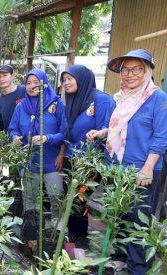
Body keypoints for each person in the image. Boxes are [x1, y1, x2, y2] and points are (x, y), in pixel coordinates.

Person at [87, 49, 167, 275]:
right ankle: (120, 255)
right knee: (118, 214)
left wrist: (147, 168)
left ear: (148, 71)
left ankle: (139, 271)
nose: (130, 74)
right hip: (116, 168)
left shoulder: (158, 98)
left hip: (142, 170)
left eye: (137, 69)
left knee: (139, 219)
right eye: (126, 69)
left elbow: (161, 137)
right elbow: (120, 129)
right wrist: (103, 133)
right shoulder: (121, 98)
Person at [59, 64, 115, 239]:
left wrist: (98, 136)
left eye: (70, 79)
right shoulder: (72, 100)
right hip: (72, 158)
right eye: (64, 80)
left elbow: (107, 130)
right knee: (69, 199)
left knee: (79, 200)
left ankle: (79, 238)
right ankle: (70, 237)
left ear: (82, 79)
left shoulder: (101, 100)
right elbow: (68, 131)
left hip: (90, 162)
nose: (65, 83)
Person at [9, 69, 68, 226]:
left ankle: (57, 231)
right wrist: (14, 138)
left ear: (44, 84)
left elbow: (64, 133)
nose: (31, 86)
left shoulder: (55, 104)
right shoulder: (21, 107)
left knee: (56, 197)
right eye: (28, 83)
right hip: (29, 161)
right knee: (30, 199)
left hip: (51, 161)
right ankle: (31, 231)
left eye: (36, 83)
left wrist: (48, 138)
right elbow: (12, 129)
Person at [0, 64, 26, 132]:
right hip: (13, 139)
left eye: (5, 75)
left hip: (32, 137)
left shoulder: (25, 90)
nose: (1, 79)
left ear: (12, 76)